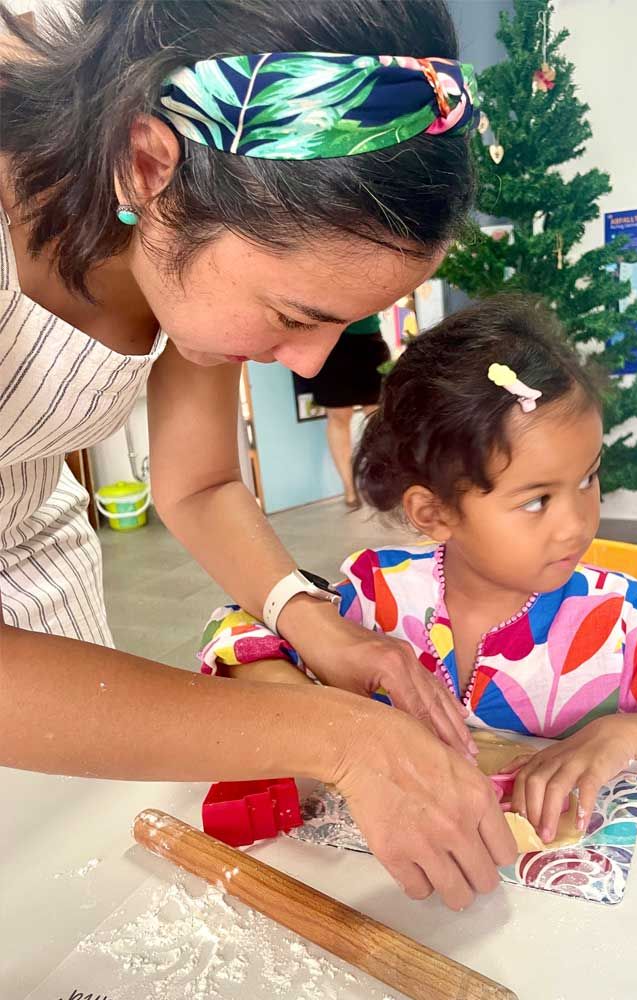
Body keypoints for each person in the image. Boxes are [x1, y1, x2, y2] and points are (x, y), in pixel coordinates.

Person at [0, 0, 517, 911]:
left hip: (38, 570)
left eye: (343, 324)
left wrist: (314, 622)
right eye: (293, 315)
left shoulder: (176, 205)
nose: (313, 364)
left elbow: (198, 481)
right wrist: (334, 737)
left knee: (55, 880)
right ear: (146, 162)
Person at [200, 295, 637, 845]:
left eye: (588, 477)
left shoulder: (624, 626)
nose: (576, 524)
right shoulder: (377, 599)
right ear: (433, 512)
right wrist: (315, 713)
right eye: (536, 499)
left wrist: (623, 734)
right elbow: (233, 631)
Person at [295, 314, 390, 508]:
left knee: (376, 414)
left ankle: (383, 480)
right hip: (329, 340)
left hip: (367, 334)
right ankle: (350, 489)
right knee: (339, 415)